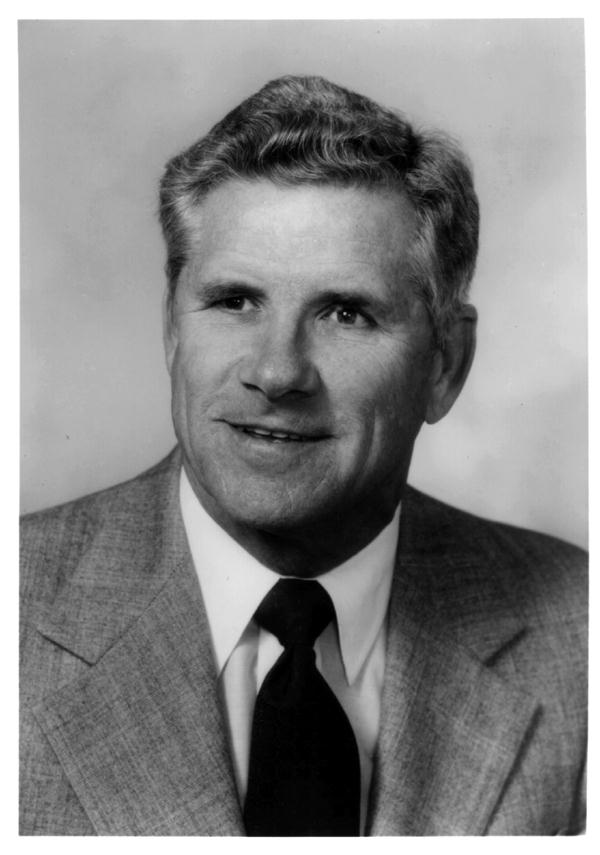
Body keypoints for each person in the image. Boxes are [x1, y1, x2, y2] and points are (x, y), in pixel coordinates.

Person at [20, 75, 587, 836]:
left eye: (346, 312)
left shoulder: (580, 636)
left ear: (446, 363)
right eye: (235, 301)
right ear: (171, 330)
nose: (278, 371)